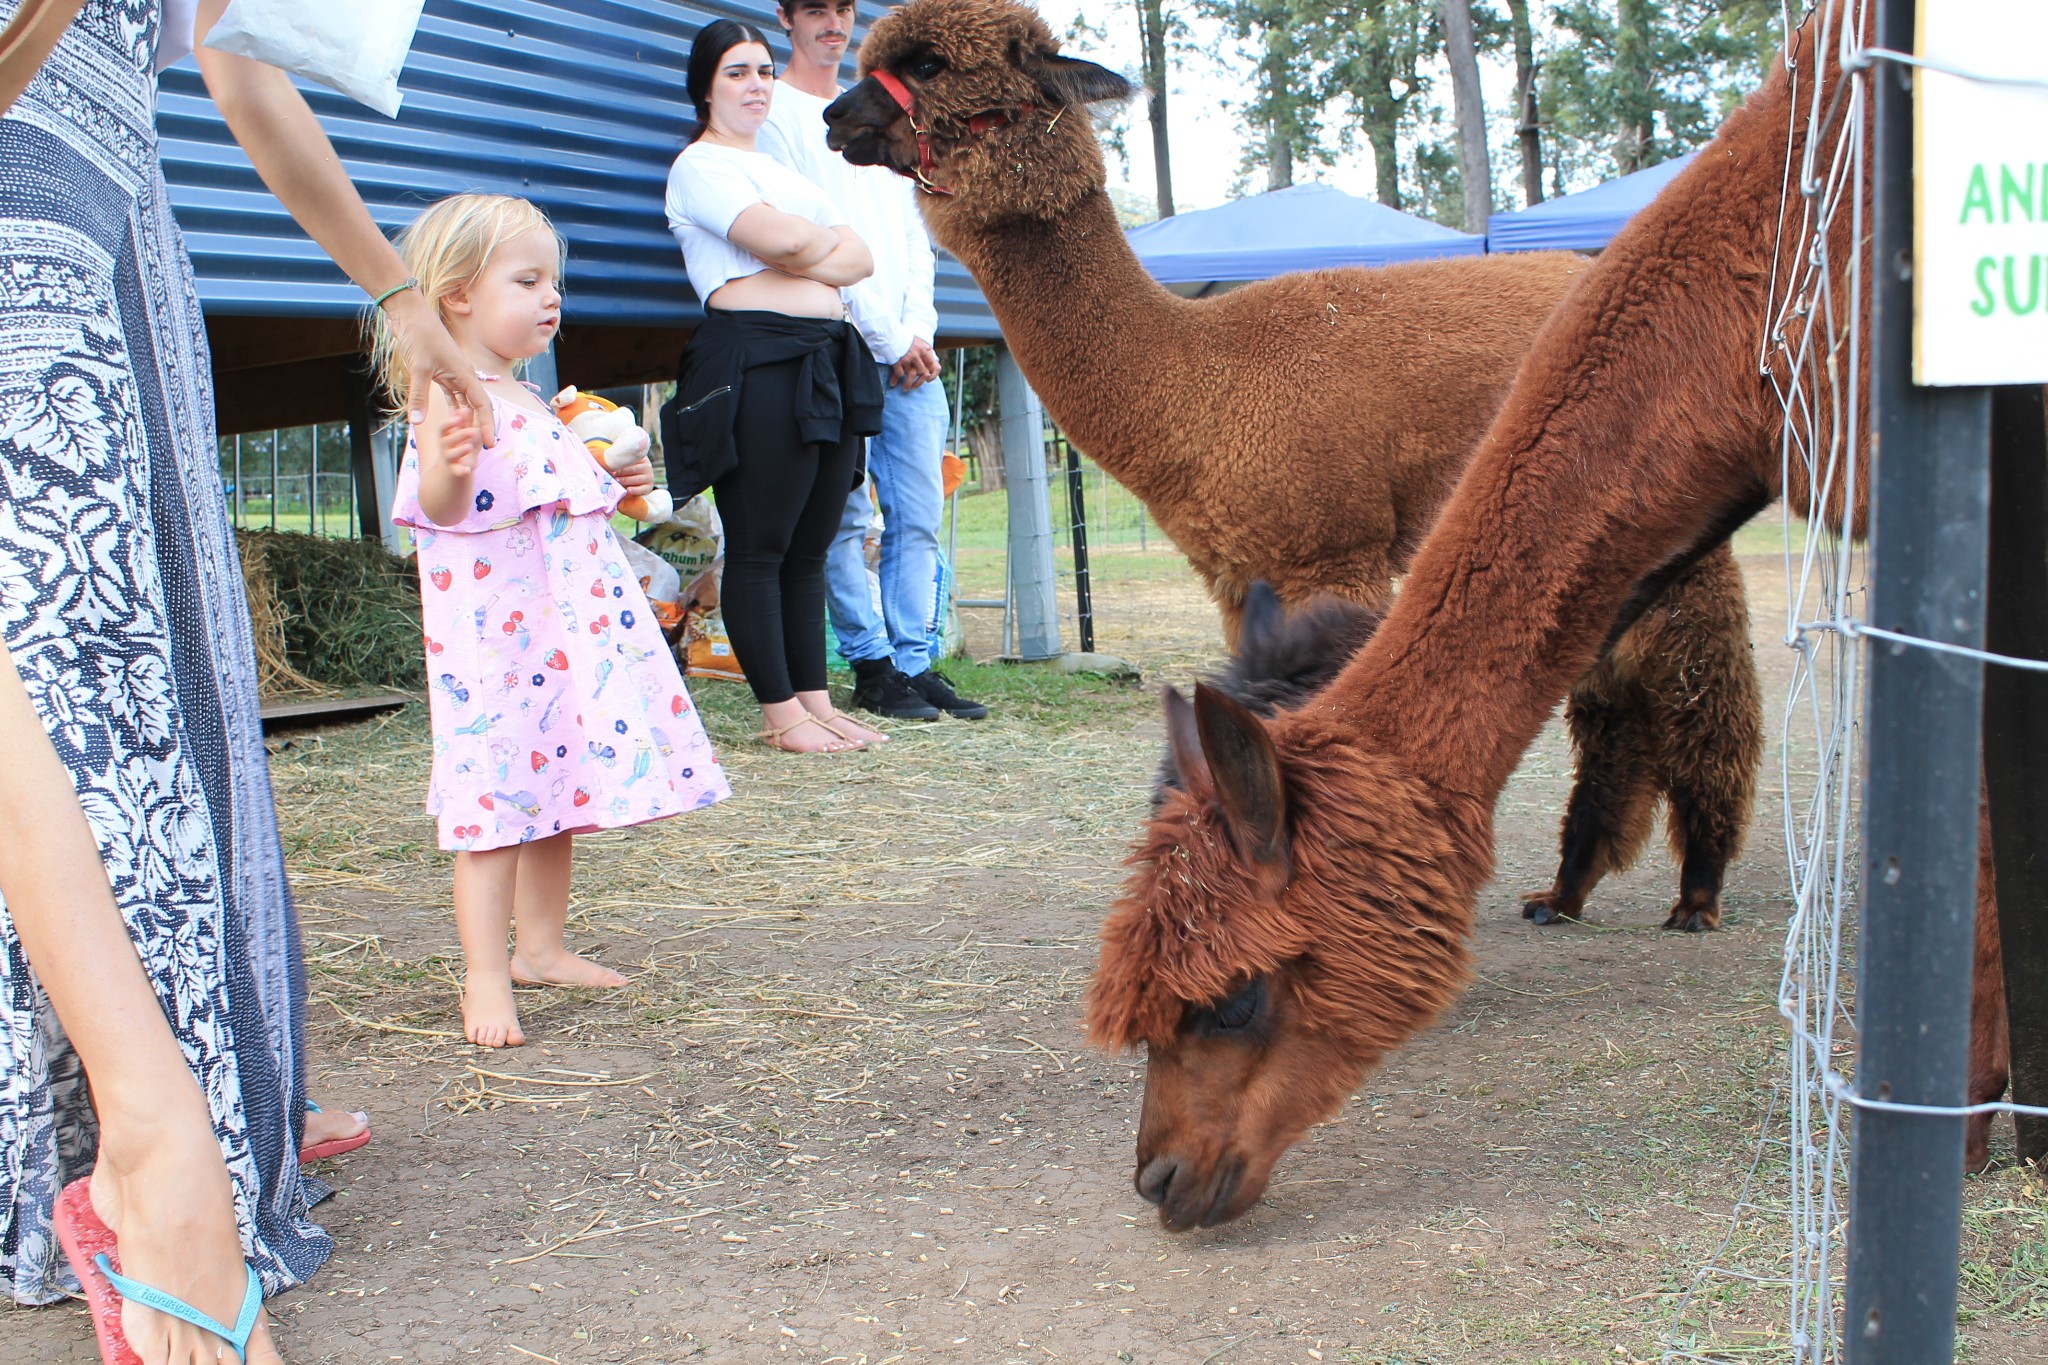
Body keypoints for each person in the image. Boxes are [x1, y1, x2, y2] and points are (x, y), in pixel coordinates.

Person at [0, 1, 496, 1361]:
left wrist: (401, 297)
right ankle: (148, 1154)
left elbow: (241, 60)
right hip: (22, 151)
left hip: (112, 183)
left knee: (142, 668)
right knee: (63, 621)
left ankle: (156, 1137)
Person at [375, 194, 732, 1050]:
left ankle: (539, 946)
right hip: (496, 640)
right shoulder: (451, 393)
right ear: (457, 293)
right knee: (497, 802)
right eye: (528, 280)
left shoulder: (530, 396)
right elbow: (436, 504)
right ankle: (485, 975)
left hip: (560, 636)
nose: (551, 297)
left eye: (554, 282)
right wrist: (450, 468)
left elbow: (588, 503)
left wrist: (625, 467)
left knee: (556, 785)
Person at [758, 0, 988, 723]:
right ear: (787, 17)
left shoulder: (891, 112)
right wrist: (888, 337)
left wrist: (919, 327)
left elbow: (916, 230)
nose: (834, 23)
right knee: (846, 516)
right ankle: (872, 663)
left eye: (844, 8)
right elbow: (809, 243)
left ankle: (917, 662)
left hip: (909, 348)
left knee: (918, 514)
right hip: (839, 343)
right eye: (817, 9)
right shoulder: (778, 119)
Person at [661, 20, 888, 754]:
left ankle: (813, 702)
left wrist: (804, 252)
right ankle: (778, 714)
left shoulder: (785, 174)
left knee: (811, 548)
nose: (756, 84)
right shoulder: (700, 167)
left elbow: (860, 259)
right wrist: (811, 249)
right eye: (736, 72)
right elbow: (795, 242)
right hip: (754, 361)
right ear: (705, 87)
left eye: (763, 71)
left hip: (824, 359)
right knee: (760, 545)